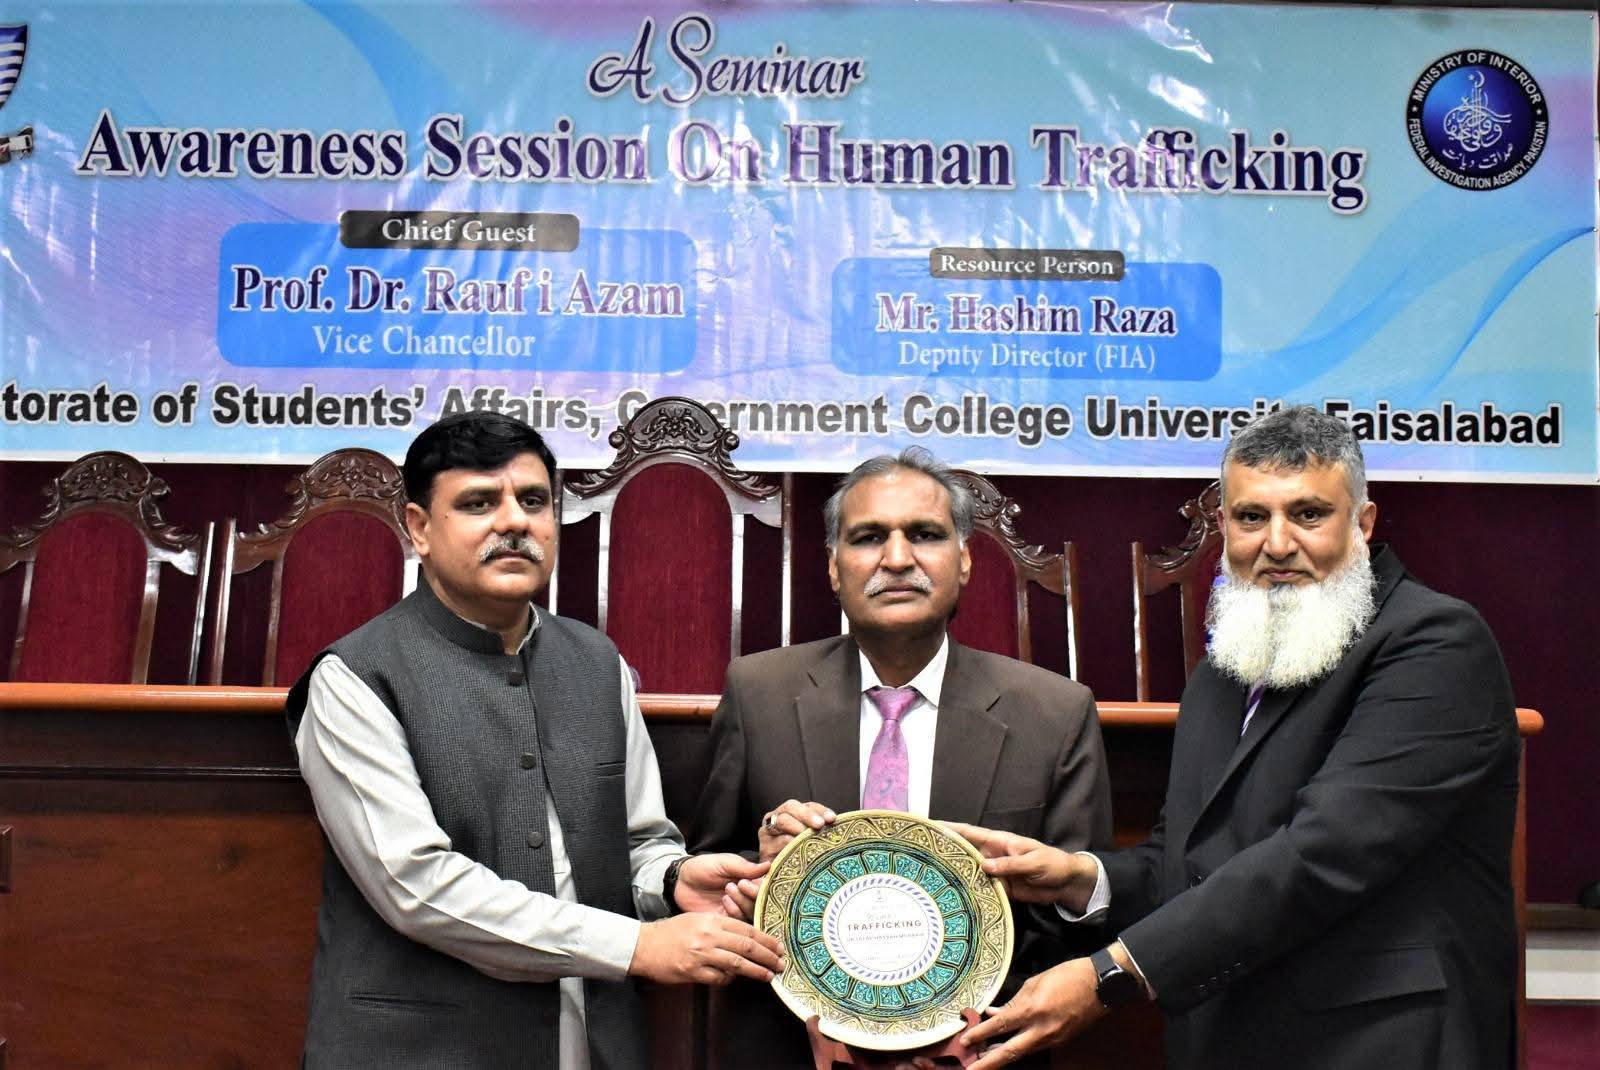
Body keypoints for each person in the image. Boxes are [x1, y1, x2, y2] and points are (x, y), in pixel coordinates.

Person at [951, 405, 1520, 1070]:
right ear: (1224, 526)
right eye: (1252, 517)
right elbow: (1192, 857)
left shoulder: (1435, 643)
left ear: (1363, 523)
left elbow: (1323, 855)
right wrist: (1082, 878)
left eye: (1309, 514)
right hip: (1232, 1038)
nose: (1277, 543)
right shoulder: (1226, 668)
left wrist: (1111, 974)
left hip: (1379, 1043)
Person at [285, 411, 784, 1069]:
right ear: (419, 528)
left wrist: (673, 879)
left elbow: (636, 842)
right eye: (478, 503)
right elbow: (415, 886)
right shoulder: (355, 675)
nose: (513, 521)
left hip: (592, 1041)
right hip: (421, 1049)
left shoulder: (596, 661)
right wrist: (637, 946)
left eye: (533, 500)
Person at [691, 446, 1112, 1067]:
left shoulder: (1054, 711)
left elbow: (1079, 917)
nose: (896, 558)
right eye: (868, 538)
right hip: (795, 1048)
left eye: (924, 535)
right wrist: (760, 877)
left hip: (979, 1052)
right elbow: (708, 877)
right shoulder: (759, 693)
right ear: (833, 567)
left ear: (964, 560)